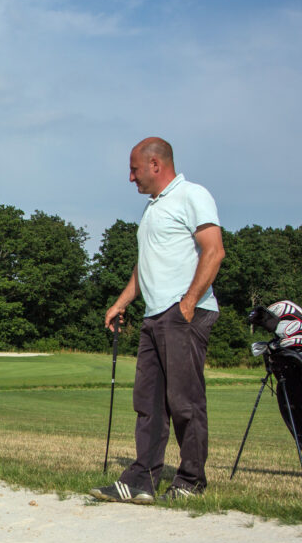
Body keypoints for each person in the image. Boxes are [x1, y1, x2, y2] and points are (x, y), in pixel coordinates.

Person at [90, 137, 225, 504]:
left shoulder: (192, 195)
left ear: (155, 164)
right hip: (154, 314)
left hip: (183, 312)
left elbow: (214, 250)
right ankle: (141, 480)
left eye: (134, 170)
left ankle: (191, 480)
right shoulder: (152, 208)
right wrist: (121, 302)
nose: (130, 177)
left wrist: (189, 302)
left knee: (184, 401)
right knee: (148, 401)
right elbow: (146, 263)